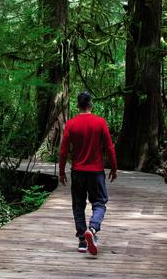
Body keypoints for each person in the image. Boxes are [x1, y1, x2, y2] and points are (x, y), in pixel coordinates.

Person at [58, 91, 118, 256]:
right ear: (91, 104)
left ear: (78, 105)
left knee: (78, 205)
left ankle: (83, 242)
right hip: (96, 172)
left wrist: (61, 171)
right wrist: (114, 167)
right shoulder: (100, 122)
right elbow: (109, 147)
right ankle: (92, 228)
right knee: (99, 203)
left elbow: (63, 151)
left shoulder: (71, 124)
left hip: (77, 172)